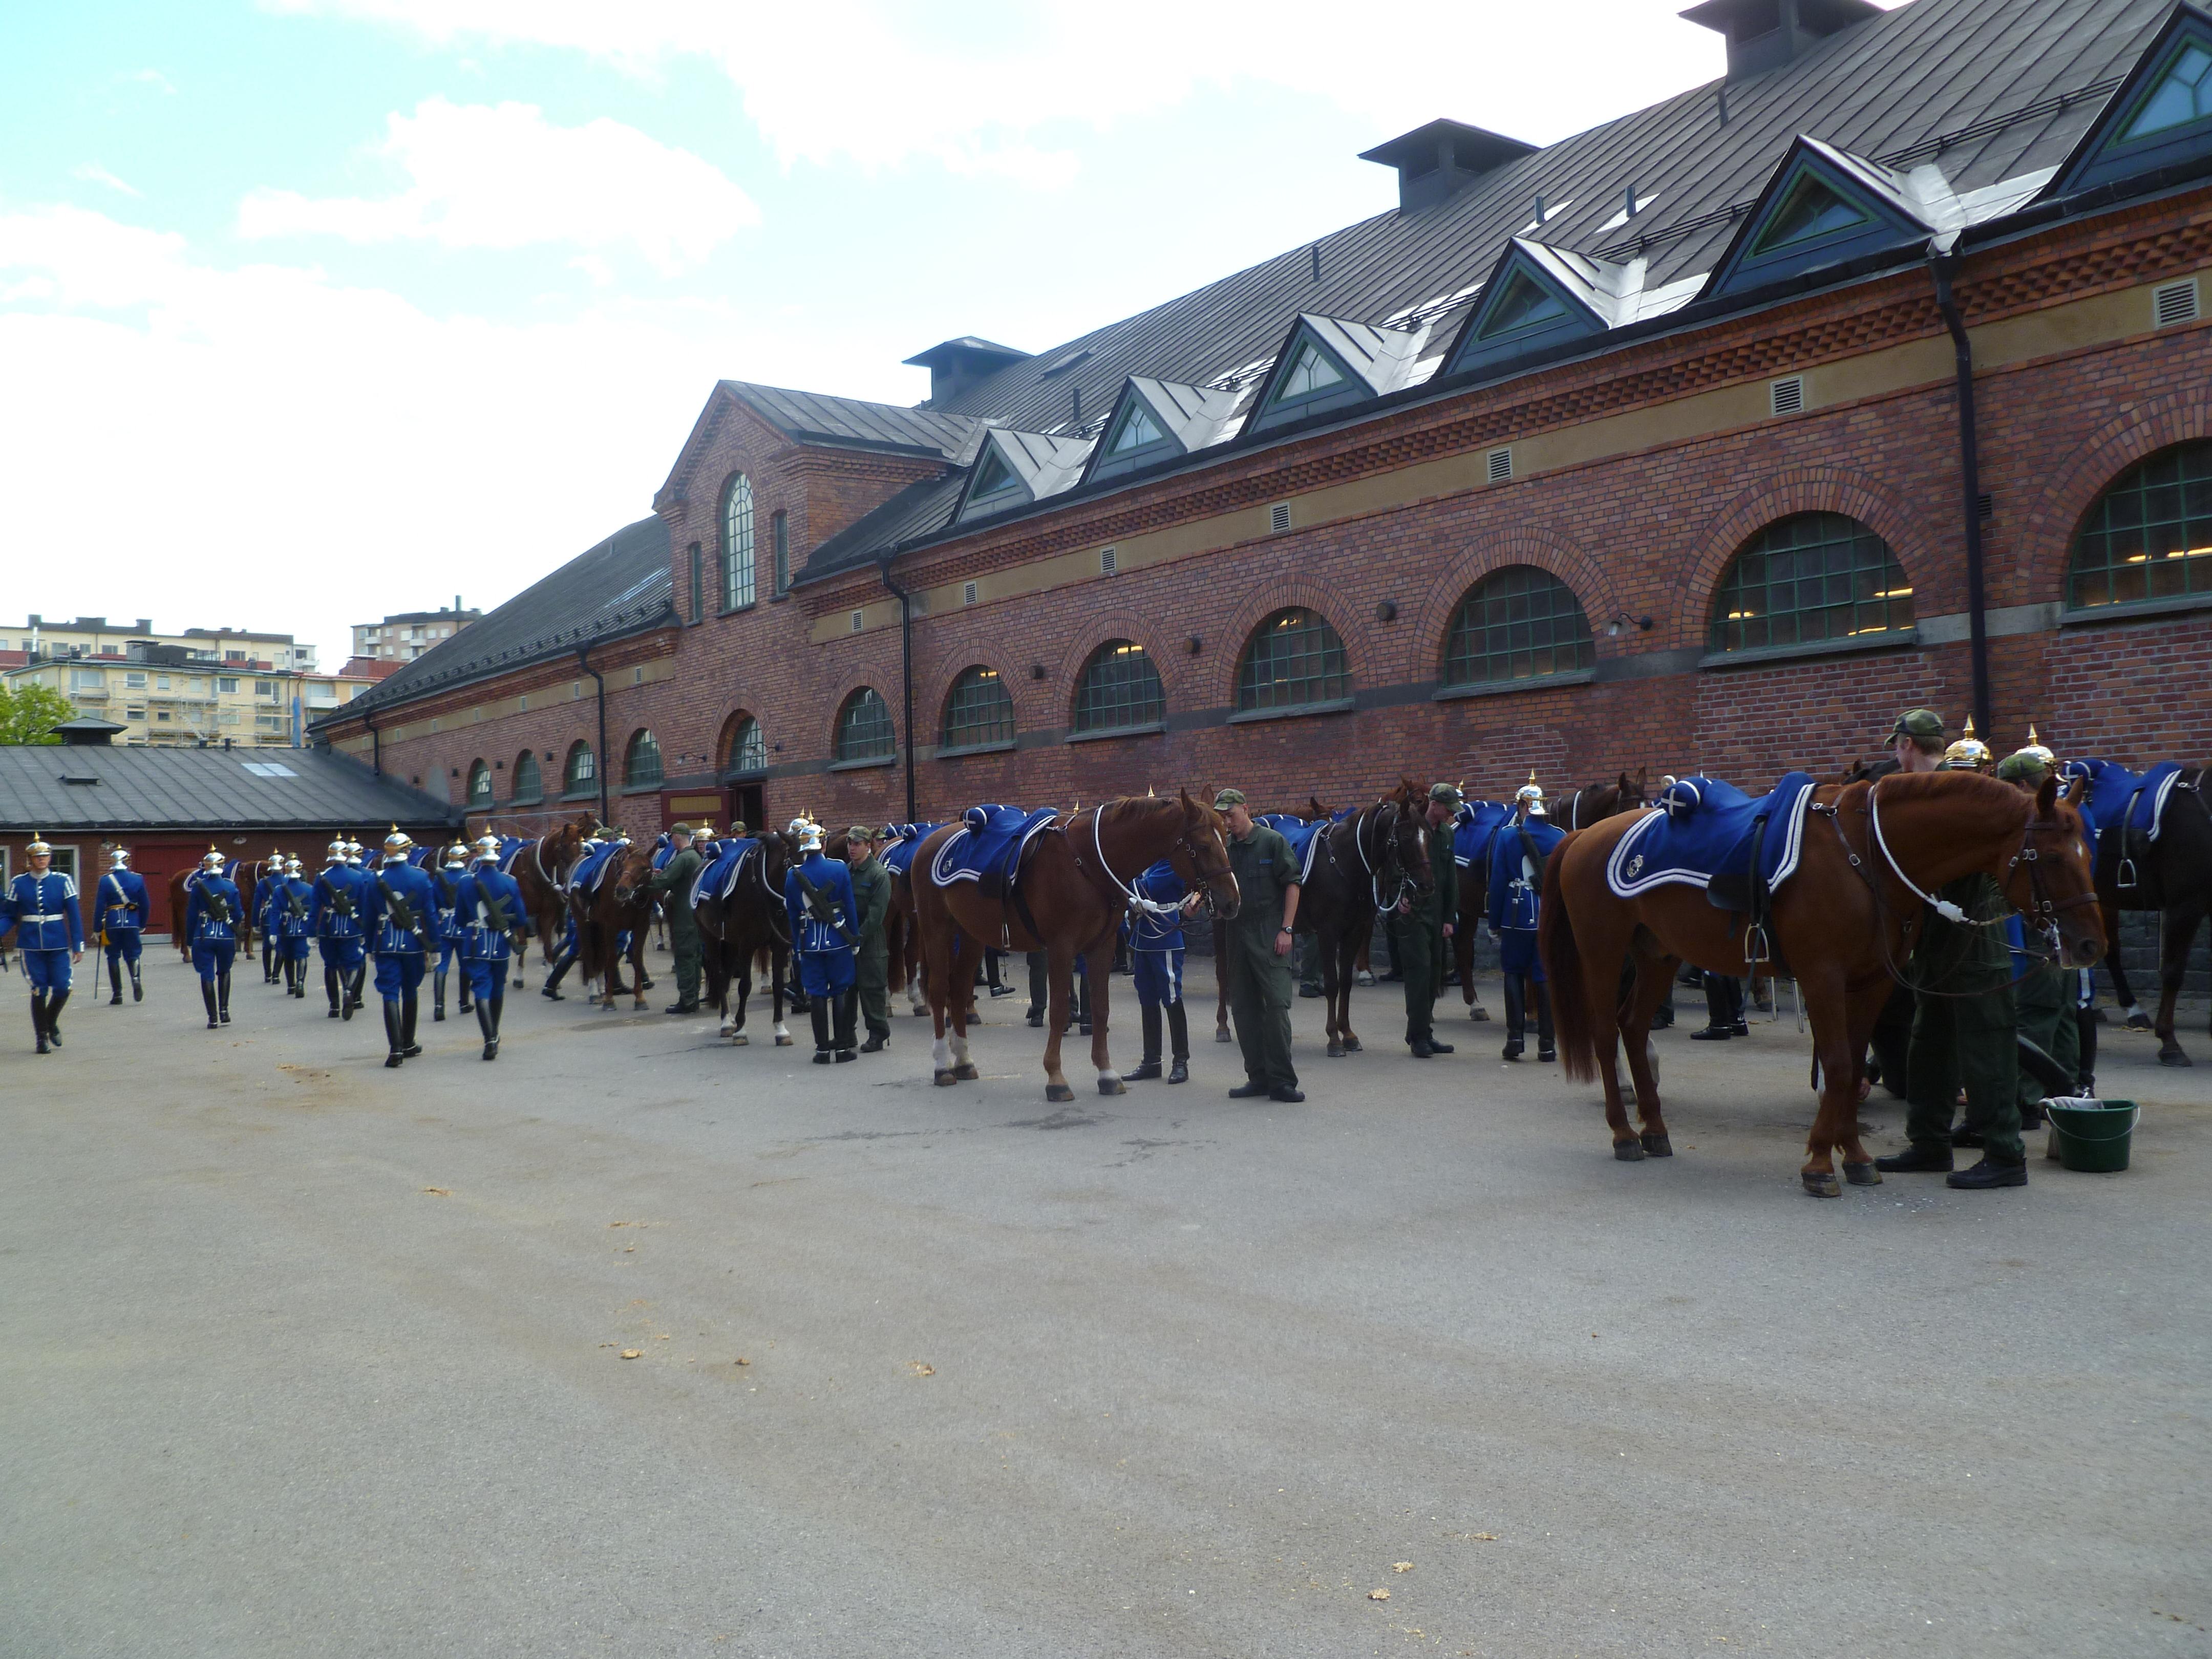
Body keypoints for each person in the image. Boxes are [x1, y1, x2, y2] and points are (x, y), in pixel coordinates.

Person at [1873, 709, 2027, 1190]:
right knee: (1930, 1047)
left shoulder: (1958, 794)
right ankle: (1929, 1143)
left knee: (1988, 1047)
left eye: (1897, 748)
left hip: (1975, 941)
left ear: (1906, 745)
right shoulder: (1923, 796)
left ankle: (2005, 1154)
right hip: (1937, 944)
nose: (1897, 758)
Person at [1995, 747, 2083, 1124]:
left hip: (2044, 926)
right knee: (2063, 1013)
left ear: (2019, 786)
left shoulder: (2039, 824)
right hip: (2069, 926)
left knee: (2037, 1013)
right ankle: (2070, 1093)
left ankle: (2026, 1099)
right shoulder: (2070, 816)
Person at [1216, 788, 1303, 1103]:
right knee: (1243, 1009)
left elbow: (1293, 883)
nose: (1228, 822)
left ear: (1246, 810)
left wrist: (1287, 929)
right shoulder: (1224, 848)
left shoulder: (1271, 841)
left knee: (1277, 1006)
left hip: (1270, 932)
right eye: (1223, 817)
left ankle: (1282, 1081)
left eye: (1231, 815)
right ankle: (1258, 1077)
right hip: (1236, 933)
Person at [1489, 775, 1564, 1062]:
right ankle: (1547, 1044)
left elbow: (1498, 882)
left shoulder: (1509, 836)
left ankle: (1515, 1039)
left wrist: (1495, 922)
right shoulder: (1558, 835)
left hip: (1516, 914)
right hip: (1548, 914)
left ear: (1522, 805)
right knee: (1544, 976)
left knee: (1513, 972)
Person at [1392, 782, 1461, 1058]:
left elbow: (1450, 878)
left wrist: (1449, 917)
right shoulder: (1410, 828)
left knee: (1434, 972)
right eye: (1448, 810)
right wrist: (1399, 896)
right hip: (1413, 913)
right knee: (1418, 973)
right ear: (1435, 805)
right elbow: (1393, 866)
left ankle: (1423, 1033)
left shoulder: (1446, 833)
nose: (1450, 815)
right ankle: (1418, 1036)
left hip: (1437, 912)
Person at [783, 816, 859, 1063]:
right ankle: (842, 1049)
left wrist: (797, 947)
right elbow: (849, 906)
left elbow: (793, 916)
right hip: (838, 939)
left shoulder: (792, 877)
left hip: (809, 942)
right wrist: (854, 938)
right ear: (824, 844)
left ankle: (822, 1051)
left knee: (816, 994)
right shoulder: (838, 868)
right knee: (840, 991)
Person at [364, 825, 438, 1069]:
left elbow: (370, 917)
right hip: (414, 943)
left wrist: (370, 946)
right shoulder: (420, 877)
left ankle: (395, 1049)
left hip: (385, 942)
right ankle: (408, 1043)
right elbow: (430, 914)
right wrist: (435, 945)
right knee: (410, 990)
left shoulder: (375, 879)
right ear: (407, 851)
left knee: (389, 992)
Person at [3, 834, 84, 1054]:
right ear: (30, 859)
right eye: (38, 857)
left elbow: (74, 915)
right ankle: (41, 1039)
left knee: (63, 987)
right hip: (30, 945)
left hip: (57, 942)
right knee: (39, 990)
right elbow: (9, 915)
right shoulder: (18, 883)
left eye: (45, 856)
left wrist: (78, 944)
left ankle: (50, 1022)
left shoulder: (62, 880)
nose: (42, 860)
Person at [1124, 858, 1199, 1083]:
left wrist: (1124, 875)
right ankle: (1151, 1061)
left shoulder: (1171, 862)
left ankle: (1181, 1061)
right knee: (1146, 996)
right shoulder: (1149, 860)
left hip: (1164, 932)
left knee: (1171, 995)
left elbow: (1145, 890)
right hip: (1143, 933)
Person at [456, 834, 525, 1060]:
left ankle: (490, 1040)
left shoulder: (466, 882)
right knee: (497, 988)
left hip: (475, 942)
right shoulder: (510, 881)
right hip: (501, 943)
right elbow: (522, 918)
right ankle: (494, 1034)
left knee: (481, 989)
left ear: (478, 854)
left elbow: (459, 919)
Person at [646, 821, 706, 1015]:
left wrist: (644, 882)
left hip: (683, 916)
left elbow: (664, 882)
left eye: (673, 837)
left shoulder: (684, 858)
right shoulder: (695, 856)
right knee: (695, 958)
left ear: (677, 837)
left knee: (685, 957)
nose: (672, 841)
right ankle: (693, 997)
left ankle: (687, 1001)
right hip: (695, 916)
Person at [844, 825, 894, 1052]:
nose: (852, 848)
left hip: (870, 940)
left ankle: (878, 1034)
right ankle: (846, 1034)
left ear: (868, 846)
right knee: (846, 989)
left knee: (872, 988)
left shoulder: (878, 875)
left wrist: (858, 938)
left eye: (857, 844)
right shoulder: (845, 872)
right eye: (850, 844)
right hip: (845, 938)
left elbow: (876, 914)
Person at [311, 837, 371, 1019]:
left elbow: (315, 909)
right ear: (346, 856)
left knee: (330, 965)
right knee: (352, 962)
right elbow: (364, 907)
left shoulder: (322, 878)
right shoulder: (359, 877)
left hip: (329, 926)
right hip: (352, 926)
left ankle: (334, 1007)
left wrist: (311, 932)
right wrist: (365, 929)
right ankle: (348, 991)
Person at [183, 846, 242, 1030]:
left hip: (204, 933)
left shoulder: (198, 887)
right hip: (226, 935)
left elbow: (192, 915)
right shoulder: (231, 887)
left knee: (207, 974)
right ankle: (225, 1011)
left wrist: (189, 940)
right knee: (225, 971)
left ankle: (213, 1018)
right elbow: (239, 914)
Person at [95, 845, 150, 1006]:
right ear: (127, 861)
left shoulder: (106, 880)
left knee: (112, 955)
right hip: (132, 921)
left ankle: (117, 994)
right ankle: (135, 978)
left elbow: (99, 906)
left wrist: (97, 927)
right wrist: (142, 923)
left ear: (112, 862)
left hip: (112, 922)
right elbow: (145, 904)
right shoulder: (137, 879)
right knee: (133, 954)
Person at [429, 842, 473, 1022]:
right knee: (465, 966)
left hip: (444, 925)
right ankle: (464, 1003)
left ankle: (439, 1006)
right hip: (463, 928)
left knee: (442, 966)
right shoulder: (469, 877)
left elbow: (433, 904)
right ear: (464, 859)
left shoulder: (440, 878)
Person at [272, 857, 316, 998]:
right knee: (302, 956)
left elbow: (275, 912)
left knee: (289, 957)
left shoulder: (279, 890)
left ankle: (291, 986)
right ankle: (300, 983)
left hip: (285, 927)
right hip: (303, 926)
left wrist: (273, 932)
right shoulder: (309, 889)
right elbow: (314, 911)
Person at [256, 849, 288, 985]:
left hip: (268, 914)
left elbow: (257, 903)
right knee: (281, 946)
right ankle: (276, 975)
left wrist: (254, 922)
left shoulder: (263, 883)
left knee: (266, 946)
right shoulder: (287, 881)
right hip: (284, 915)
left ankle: (267, 974)